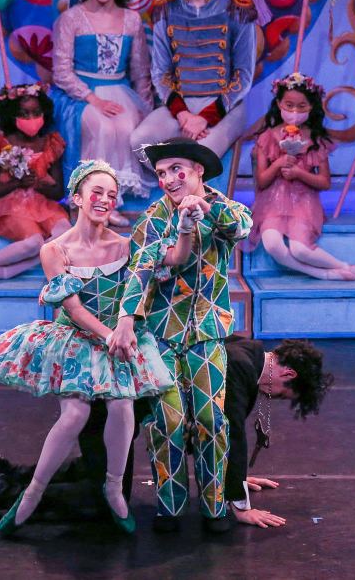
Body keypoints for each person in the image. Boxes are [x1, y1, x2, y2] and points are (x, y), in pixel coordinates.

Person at [0, 160, 175, 536]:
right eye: (96, 192)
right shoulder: (55, 249)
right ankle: (33, 492)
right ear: (77, 198)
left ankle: (114, 487)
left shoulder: (125, 246)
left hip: (117, 338)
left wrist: (187, 227)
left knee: (122, 404)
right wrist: (110, 336)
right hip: (78, 339)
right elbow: (74, 309)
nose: (104, 200)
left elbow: (146, 282)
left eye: (111, 195)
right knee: (75, 415)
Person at [0, 336, 334, 531]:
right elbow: (227, 431)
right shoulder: (238, 367)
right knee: (98, 500)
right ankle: (4, 492)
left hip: (114, 409)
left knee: (92, 469)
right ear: (287, 373)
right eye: (282, 394)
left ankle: (2, 470)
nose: (273, 397)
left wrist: (230, 474)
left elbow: (208, 433)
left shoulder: (242, 346)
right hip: (111, 411)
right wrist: (238, 501)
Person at [108, 137, 252, 533]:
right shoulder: (153, 219)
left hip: (207, 331)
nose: (169, 179)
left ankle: (214, 507)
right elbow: (142, 268)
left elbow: (242, 227)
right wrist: (126, 318)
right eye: (161, 173)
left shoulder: (224, 208)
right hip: (162, 333)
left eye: (177, 169)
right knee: (167, 420)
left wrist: (204, 207)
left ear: (198, 170)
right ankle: (169, 507)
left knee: (210, 417)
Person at [129, 0, 258, 158]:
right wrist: (183, 114)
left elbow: (244, 75)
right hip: (182, 105)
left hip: (225, 105)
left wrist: (206, 117)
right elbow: (160, 73)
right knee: (139, 141)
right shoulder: (166, 10)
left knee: (200, 156)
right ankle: (168, 182)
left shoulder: (236, 9)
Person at [52, 0, 154, 226]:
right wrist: (93, 100)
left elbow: (140, 71)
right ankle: (91, 202)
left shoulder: (131, 19)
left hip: (121, 90)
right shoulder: (72, 18)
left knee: (127, 127)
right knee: (103, 127)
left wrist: (145, 107)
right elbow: (61, 71)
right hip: (81, 94)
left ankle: (111, 201)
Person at [247, 72, 355, 280]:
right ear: (279, 104)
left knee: (300, 249)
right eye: (289, 106)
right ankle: (323, 274)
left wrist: (299, 173)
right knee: (273, 245)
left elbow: (324, 182)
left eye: (301, 107)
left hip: (303, 202)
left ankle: (346, 267)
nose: (294, 112)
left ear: (311, 107)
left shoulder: (315, 139)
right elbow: (261, 180)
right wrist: (278, 163)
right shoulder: (267, 137)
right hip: (272, 203)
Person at [0, 84, 71, 282]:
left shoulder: (51, 143)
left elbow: (59, 191)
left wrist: (38, 184)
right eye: (24, 114)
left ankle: (8, 271)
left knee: (66, 238)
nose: (31, 119)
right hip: (14, 206)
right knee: (34, 243)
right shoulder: (1, 144)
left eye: (36, 113)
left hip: (45, 205)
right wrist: (17, 183)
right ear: (11, 115)